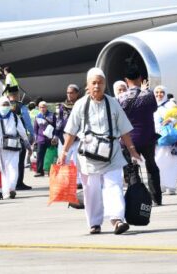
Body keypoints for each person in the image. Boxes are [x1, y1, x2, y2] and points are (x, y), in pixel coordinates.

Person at [58, 67, 141, 235]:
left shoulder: (113, 103)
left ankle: (117, 219)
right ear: (88, 86)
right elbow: (71, 132)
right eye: (93, 83)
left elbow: (124, 130)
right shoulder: (80, 105)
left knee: (114, 186)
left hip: (112, 154)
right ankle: (94, 223)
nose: (97, 86)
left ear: (105, 85)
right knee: (91, 190)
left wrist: (132, 151)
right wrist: (64, 153)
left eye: (100, 83)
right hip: (88, 156)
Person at [119, 65, 162, 205]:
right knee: (151, 166)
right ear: (140, 78)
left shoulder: (120, 98)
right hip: (147, 137)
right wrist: (145, 91)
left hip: (128, 140)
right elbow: (154, 109)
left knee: (131, 170)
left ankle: (136, 198)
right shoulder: (148, 95)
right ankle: (156, 198)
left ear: (126, 80)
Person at [0, 97, 32, 199]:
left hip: (13, 147)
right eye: (3, 105)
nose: (5, 107)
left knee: (13, 168)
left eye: (6, 104)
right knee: (3, 170)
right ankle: (7, 190)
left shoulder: (15, 117)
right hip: (0, 148)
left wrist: (27, 145)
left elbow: (22, 132)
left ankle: (11, 189)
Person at [153, 86, 177, 195]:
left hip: (171, 139)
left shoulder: (170, 105)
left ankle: (172, 185)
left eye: (162, 92)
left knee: (172, 162)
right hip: (157, 138)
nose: (159, 94)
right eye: (157, 92)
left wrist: (170, 120)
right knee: (158, 162)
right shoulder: (151, 105)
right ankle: (162, 185)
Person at [7, 92, 34, 190]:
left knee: (9, 162)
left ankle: (9, 183)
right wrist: (32, 134)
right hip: (19, 138)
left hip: (7, 139)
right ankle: (18, 183)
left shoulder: (4, 107)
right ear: (17, 96)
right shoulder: (21, 107)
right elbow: (27, 122)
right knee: (19, 162)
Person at [56, 84, 82, 186]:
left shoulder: (81, 105)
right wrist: (58, 135)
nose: (69, 95)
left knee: (77, 161)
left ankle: (78, 182)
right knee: (63, 160)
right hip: (64, 138)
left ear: (76, 93)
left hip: (77, 139)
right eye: (68, 93)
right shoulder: (62, 106)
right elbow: (59, 121)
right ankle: (64, 182)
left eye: (71, 93)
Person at [34, 101, 55, 177]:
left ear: (46, 107)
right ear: (39, 108)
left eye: (44, 107)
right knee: (40, 155)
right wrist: (36, 139)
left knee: (51, 155)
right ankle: (39, 171)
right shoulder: (37, 116)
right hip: (41, 139)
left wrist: (55, 137)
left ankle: (51, 170)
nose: (42, 108)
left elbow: (56, 126)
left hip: (50, 139)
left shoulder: (52, 115)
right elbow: (35, 128)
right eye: (41, 107)